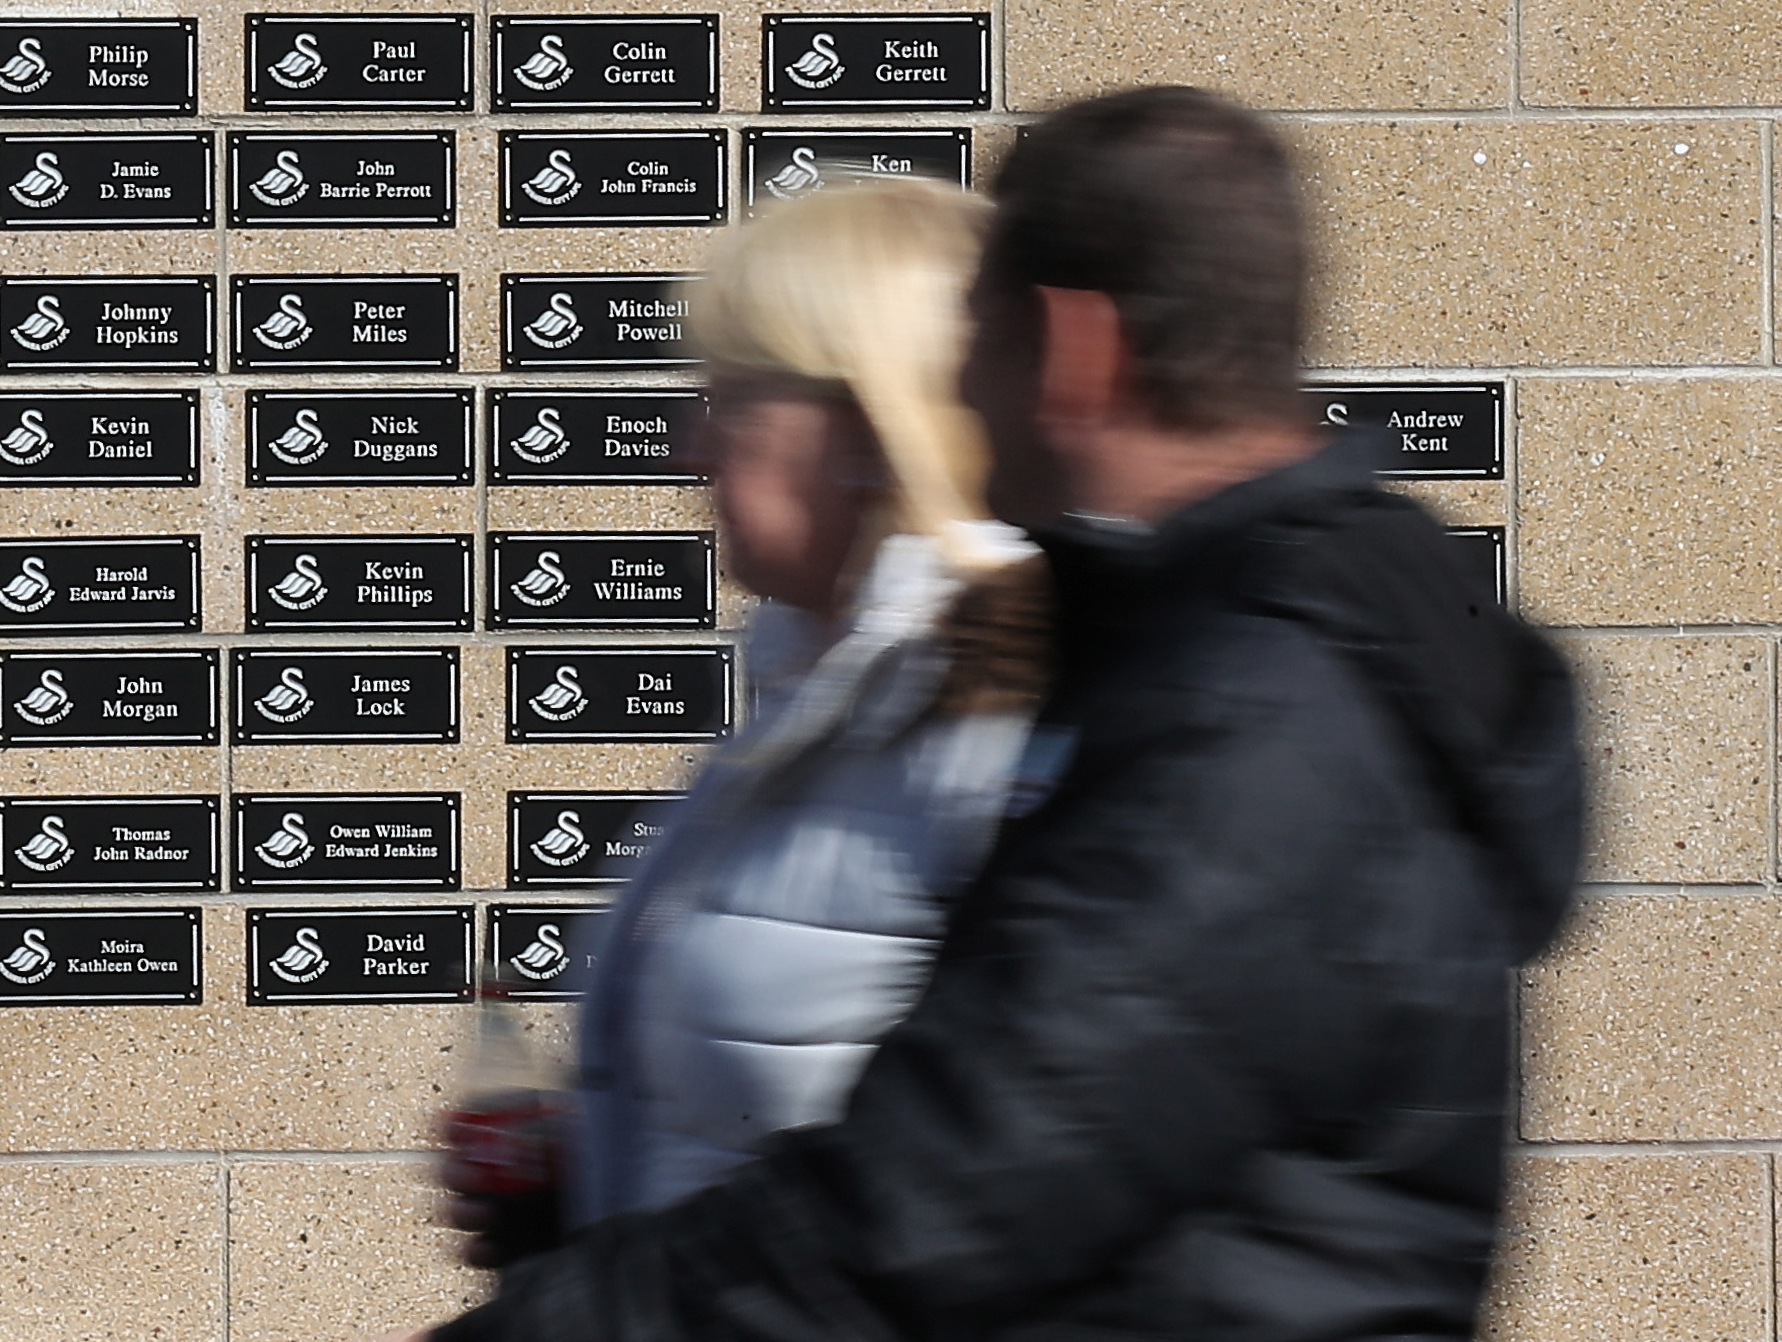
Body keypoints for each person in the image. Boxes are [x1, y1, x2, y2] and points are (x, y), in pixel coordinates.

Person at [428, 86, 1584, 1342]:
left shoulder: (1252, 719)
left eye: (973, 340)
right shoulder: (1179, 654)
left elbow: (936, 1193)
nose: (954, 391)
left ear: (1073, 350)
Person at [453, 179, 1043, 1256]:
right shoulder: (802, 691)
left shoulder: (1002, 706)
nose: (692, 449)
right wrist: (585, 1178)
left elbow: (991, 1193)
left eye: (734, 401)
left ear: (871, 422)